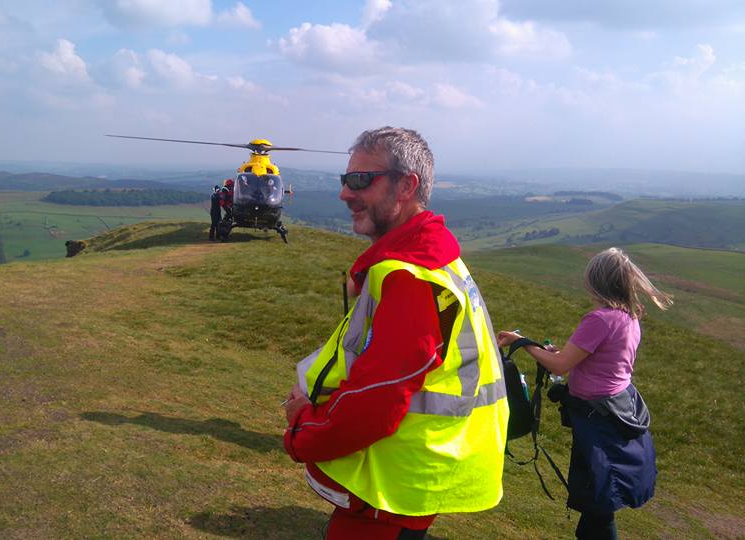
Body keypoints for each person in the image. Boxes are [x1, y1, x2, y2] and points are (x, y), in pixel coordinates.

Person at [283, 127, 509, 539]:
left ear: (406, 186)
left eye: (360, 180)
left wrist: (304, 429)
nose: (345, 193)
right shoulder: (430, 259)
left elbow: (377, 402)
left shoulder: (411, 279)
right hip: (402, 485)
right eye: (345, 179)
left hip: (390, 490)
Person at [497, 247, 671, 540]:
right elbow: (591, 360)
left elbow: (560, 366)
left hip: (596, 417)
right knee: (597, 499)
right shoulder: (629, 316)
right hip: (616, 408)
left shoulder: (599, 319)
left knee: (598, 498)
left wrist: (522, 342)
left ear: (596, 281)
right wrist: (548, 351)